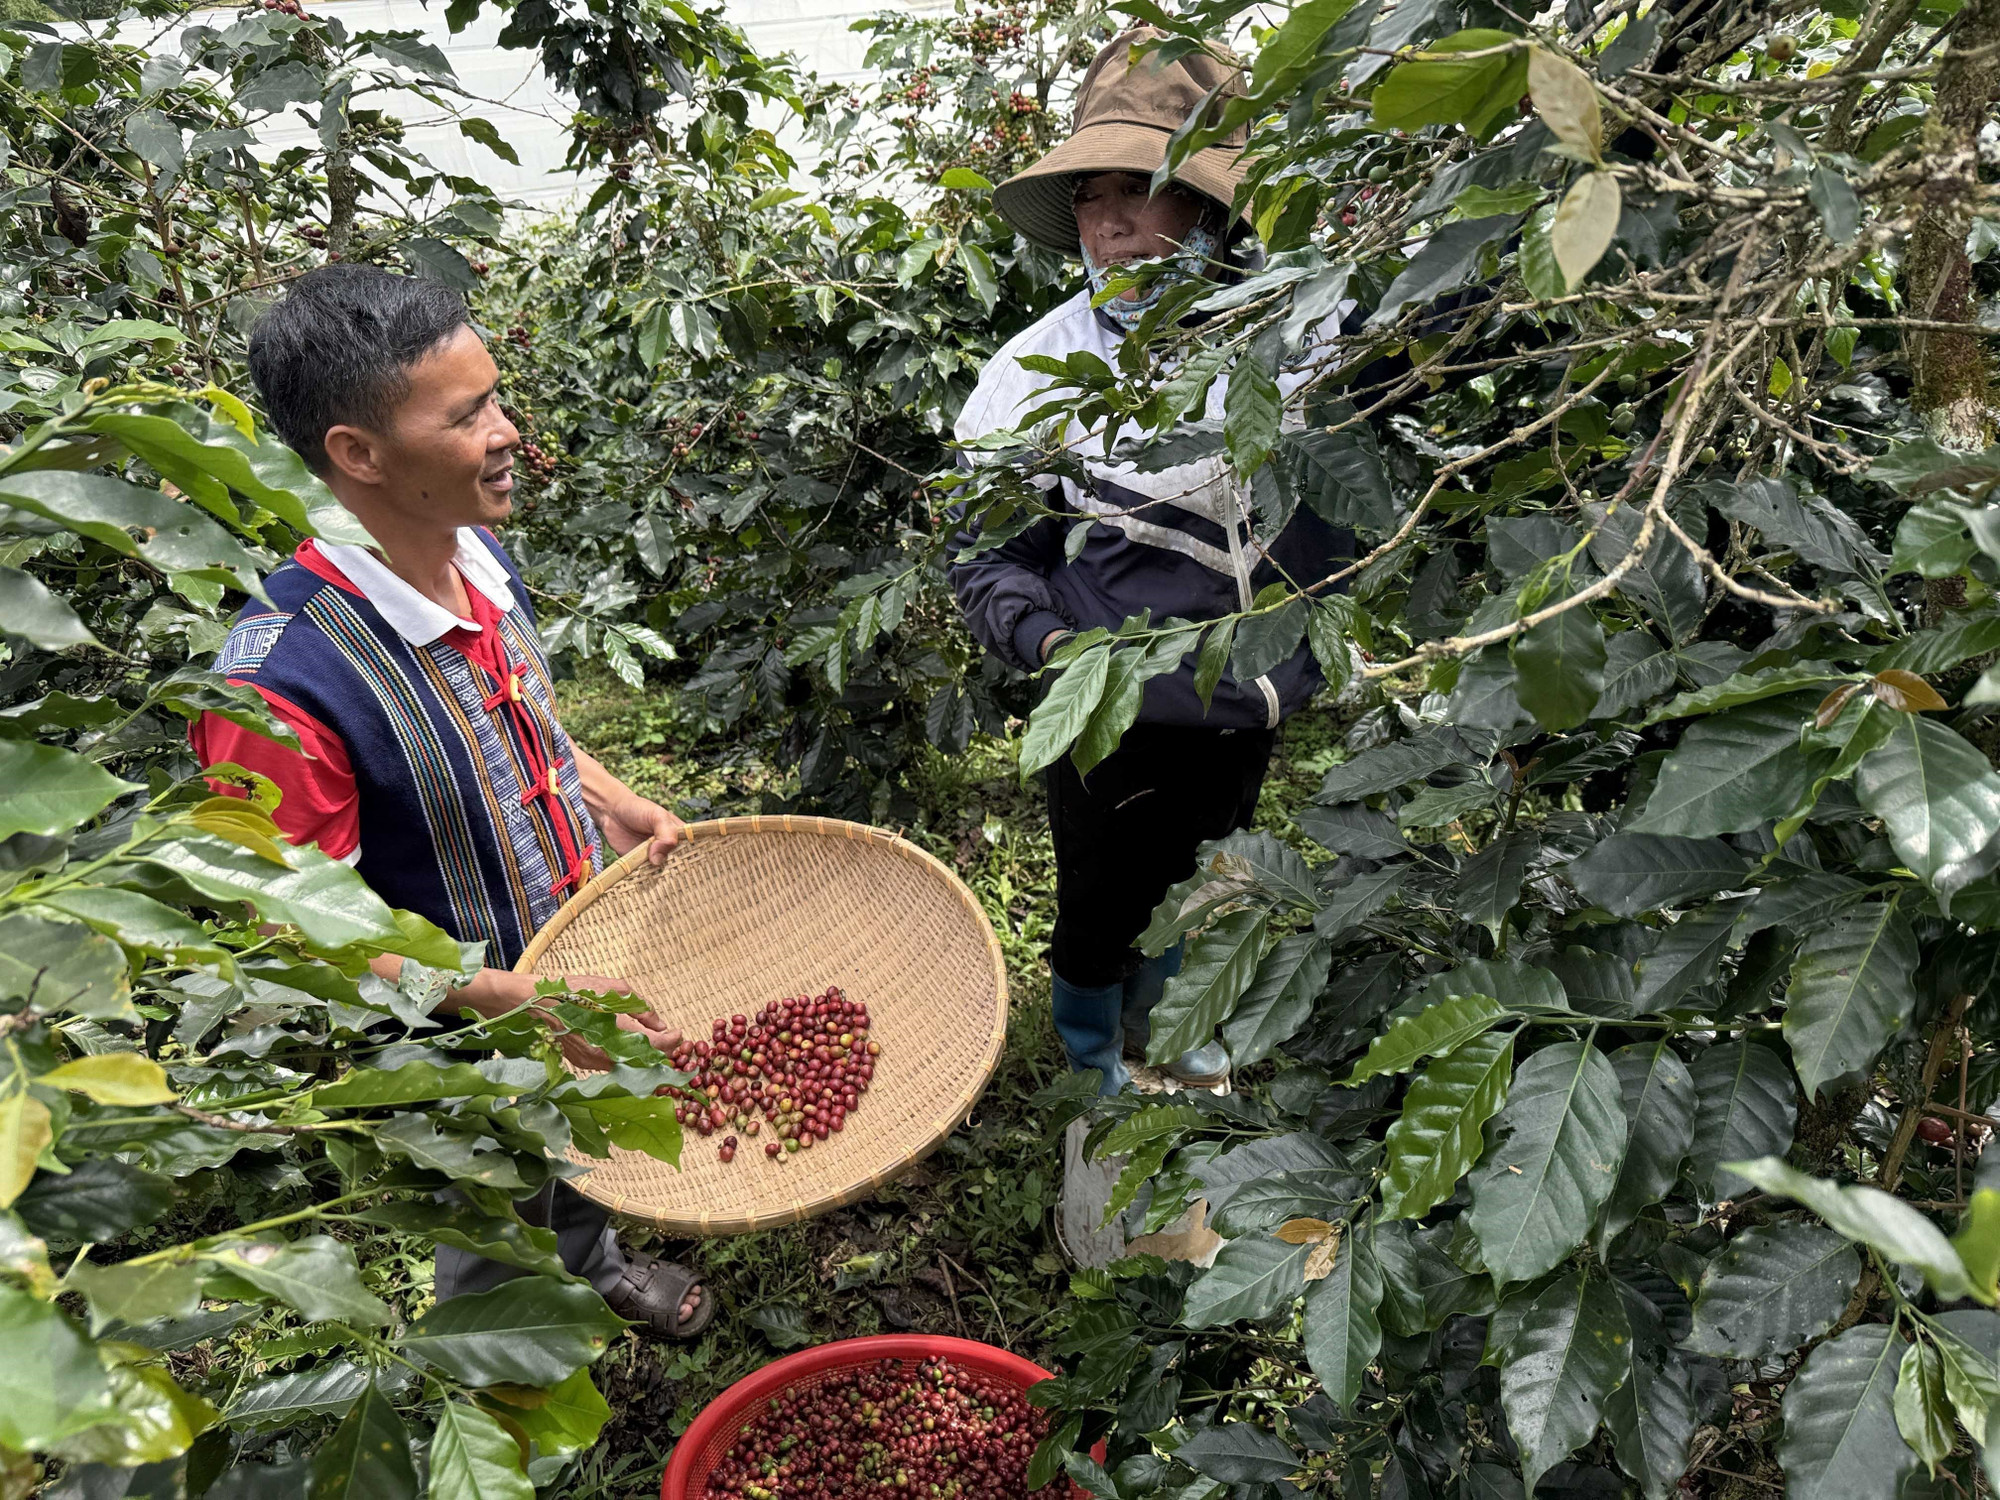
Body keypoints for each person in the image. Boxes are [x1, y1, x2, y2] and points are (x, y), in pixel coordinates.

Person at [191, 264, 712, 1338]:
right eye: (468, 413)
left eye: (495, 397)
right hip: (458, 1027)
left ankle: (597, 1264)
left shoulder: (477, 557)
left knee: (578, 1154)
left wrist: (607, 798)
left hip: (568, 952)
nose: (508, 430)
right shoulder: (278, 685)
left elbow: (516, 713)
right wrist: (513, 1003)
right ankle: (502, 1371)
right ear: (358, 454)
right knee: (493, 1200)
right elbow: (284, 927)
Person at [950, 29, 1354, 1096]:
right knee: (1099, 888)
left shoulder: (1308, 339)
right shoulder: (1033, 375)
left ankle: (1176, 1035)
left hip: (1240, 697)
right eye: (1090, 195)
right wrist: (1054, 646)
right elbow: (987, 552)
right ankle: (1091, 1057)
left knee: (1210, 866)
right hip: (1106, 706)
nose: (1111, 220)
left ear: (1215, 210)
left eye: (1147, 186)